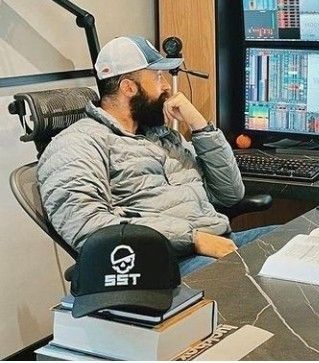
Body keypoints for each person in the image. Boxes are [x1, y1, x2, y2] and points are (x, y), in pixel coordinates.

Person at [37, 35, 274, 276]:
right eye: (158, 77)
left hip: (216, 243)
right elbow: (86, 225)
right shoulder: (78, 144)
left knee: (301, 243)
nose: (167, 86)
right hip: (162, 264)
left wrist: (199, 126)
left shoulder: (160, 136)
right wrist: (193, 239)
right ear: (129, 87)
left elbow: (230, 194)